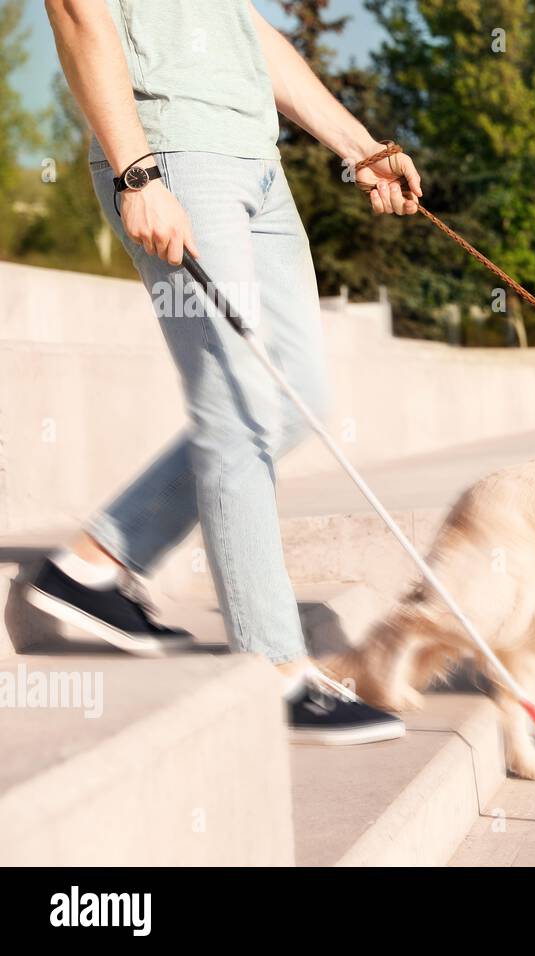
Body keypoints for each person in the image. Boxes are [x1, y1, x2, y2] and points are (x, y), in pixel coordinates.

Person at [34, 0, 421, 744]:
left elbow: (245, 30)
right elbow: (76, 11)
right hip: (174, 156)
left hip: (257, 161)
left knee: (295, 393)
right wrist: (136, 171)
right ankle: (270, 671)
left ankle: (95, 560)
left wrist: (359, 145)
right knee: (236, 408)